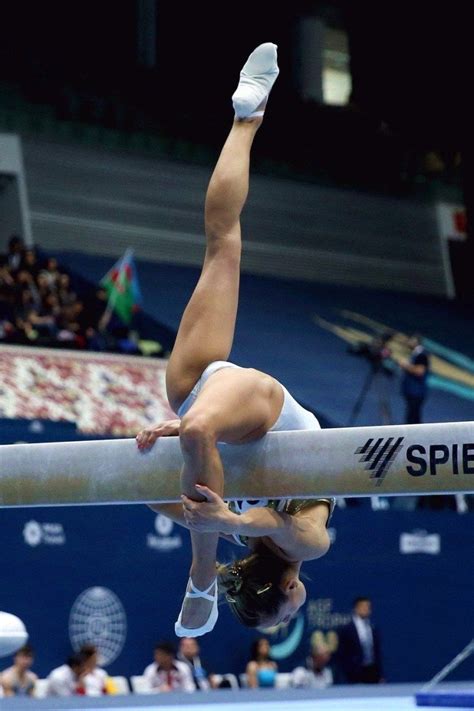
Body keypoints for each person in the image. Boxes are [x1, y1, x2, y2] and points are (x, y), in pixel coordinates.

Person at [136, 42, 333, 638]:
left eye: (289, 610)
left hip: (224, 400)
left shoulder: (221, 519)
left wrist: (212, 515)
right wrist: (226, 520)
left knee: (222, 241)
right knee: (223, 243)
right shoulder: (300, 539)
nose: (301, 602)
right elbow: (290, 528)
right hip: (246, 410)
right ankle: (246, 117)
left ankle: (247, 118)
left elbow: (146, 496)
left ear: (288, 589)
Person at [336, 597, 384, 684]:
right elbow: (342, 653)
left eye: (368, 607)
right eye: (363, 606)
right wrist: (348, 673)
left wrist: (380, 674)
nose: (366, 609)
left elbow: (377, 652)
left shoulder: (372, 628)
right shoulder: (346, 629)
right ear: (356, 608)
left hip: (372, 671)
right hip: (354, 673)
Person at [399, 334, 430, 424]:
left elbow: (420, 371)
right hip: (412, 391)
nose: (407, 342)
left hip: (416, 392)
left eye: (409, 340)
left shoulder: (421, 355)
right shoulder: (415, 354)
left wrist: (405, 365)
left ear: (415, 341)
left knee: (413, 419)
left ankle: (417, 437)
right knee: (412, 417)